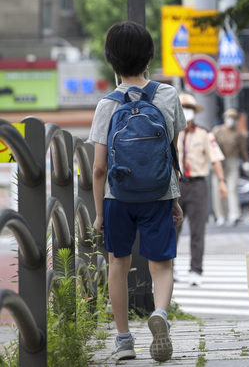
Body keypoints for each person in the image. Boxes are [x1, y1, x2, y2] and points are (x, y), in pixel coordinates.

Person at [89, 21, 187, 361]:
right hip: (158, 195)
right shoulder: (168, 95)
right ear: (149, 57)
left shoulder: (106, 106)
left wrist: (99, 212)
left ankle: (124, 340)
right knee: (161, 265)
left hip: (118, 197)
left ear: (111, 62)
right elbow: (170, 151)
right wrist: (174, 198)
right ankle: (159, 313)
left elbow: (99, 167)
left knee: (118, 263)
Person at [176, 93, 227, 286]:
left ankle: (195, 270)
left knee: (198, 229)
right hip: (177, 184)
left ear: (194, 111)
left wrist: (222, 181)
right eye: (182, 107)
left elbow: (215, 158)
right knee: (172, 228)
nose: (186, 111)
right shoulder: (171, 132)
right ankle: (170, 267)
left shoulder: (204, 133)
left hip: (197, 184)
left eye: (188, 107)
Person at [213, 108, 249, 226]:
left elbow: (243, 150)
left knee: (232, 188)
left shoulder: (238, 134)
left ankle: (234, 214)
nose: (231, 120)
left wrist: (247, 162)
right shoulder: (218, 131)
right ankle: (220, 216)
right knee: (217, 189)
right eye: (229, 117)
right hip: (219, 162)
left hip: (232, 161)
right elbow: (211, 146)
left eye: (234, 118)